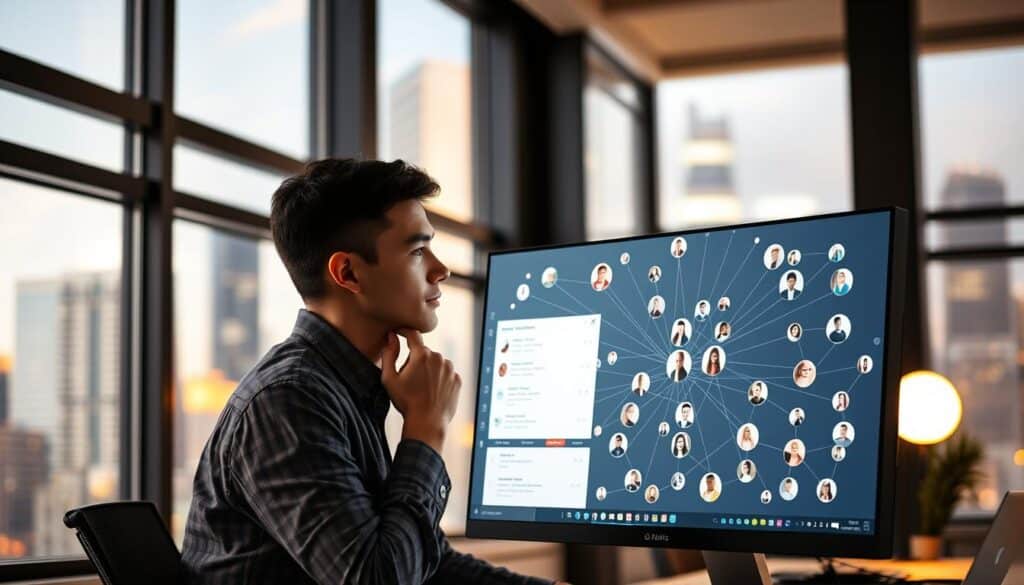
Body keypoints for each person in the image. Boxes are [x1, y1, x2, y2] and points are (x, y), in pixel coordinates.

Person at [181, 159, 556, 585]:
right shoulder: (288, 399)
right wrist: (426, 430)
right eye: (417, 251)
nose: (441, 270)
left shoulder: (342, 388)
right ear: (349, 273)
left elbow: (426, 563)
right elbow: (378, 579)